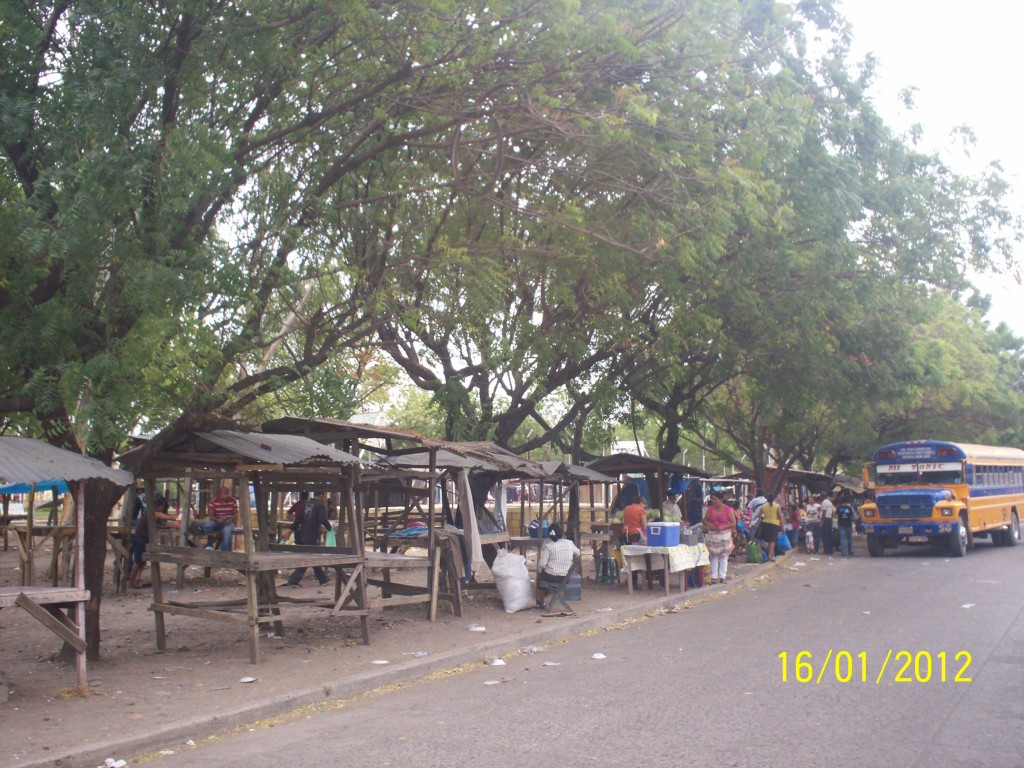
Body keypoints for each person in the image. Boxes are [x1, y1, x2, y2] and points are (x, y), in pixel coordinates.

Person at [282, 490, 333, 587]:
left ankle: (323, 579)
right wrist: (330, 528)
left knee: (312, 556)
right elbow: (322, 519)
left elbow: (298, 519)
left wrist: (291, 529)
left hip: (302, 533)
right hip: (312, 534)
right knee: (309, 557)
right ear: (321, 495)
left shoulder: (305, 504)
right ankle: (293, 580)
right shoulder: (319, 505)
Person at [129, 493, 177, 589]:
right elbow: (169, 517)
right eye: (161, 506)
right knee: (138, 561)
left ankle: (137, 579)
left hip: (143, 538)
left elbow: (155, 524)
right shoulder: (153, 513)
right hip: (140, 538)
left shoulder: (150, 513)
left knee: (142, 561)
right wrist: (178, 518)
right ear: (158, 506)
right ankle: (131, 583)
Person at [535, 523, 581, 611]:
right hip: (565, 578)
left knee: (541, 579)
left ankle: (541, 601)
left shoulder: (549, 546)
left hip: (551, 577)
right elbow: (578, 553)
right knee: (549, 582)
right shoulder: (569, 544)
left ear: (550, 535)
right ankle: (543, 597)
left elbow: (542, 564)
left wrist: (539, 571)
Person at [703, 490, 737, 583]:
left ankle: (722, 576)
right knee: (713, 556)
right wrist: (709, 524)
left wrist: (723, 527)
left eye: (715, 499)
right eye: (713, 499)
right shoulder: (710, 509)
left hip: (724, 536)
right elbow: (704, 520)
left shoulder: (728, 509)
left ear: (721, 499)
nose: (713, 501)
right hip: (713, 536)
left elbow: (733, 523)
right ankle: (713, 577)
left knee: (723, 557)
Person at [197, 485, 239, 552]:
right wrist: (217, 519)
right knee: (207, 525)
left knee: (227, 531)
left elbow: (236, 514)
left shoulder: (233, 501)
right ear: (219, 495)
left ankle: (225, 553)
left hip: (228, 522)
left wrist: (230, 519)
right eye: (223, 496)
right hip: (216, 521)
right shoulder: (213, 501)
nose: (225, 498)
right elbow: (210, 515)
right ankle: (198, 527)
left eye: (226, 496)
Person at [759, 493, 783, 562]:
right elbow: (780, 516)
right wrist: (782, 526)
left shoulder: (763, 506)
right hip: (774, 524)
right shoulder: (777, 506)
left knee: (769, 540)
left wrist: (765, 517)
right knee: (772, 540)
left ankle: (771, 554)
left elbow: (759, 515)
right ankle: (770, 555)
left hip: (765, 524)